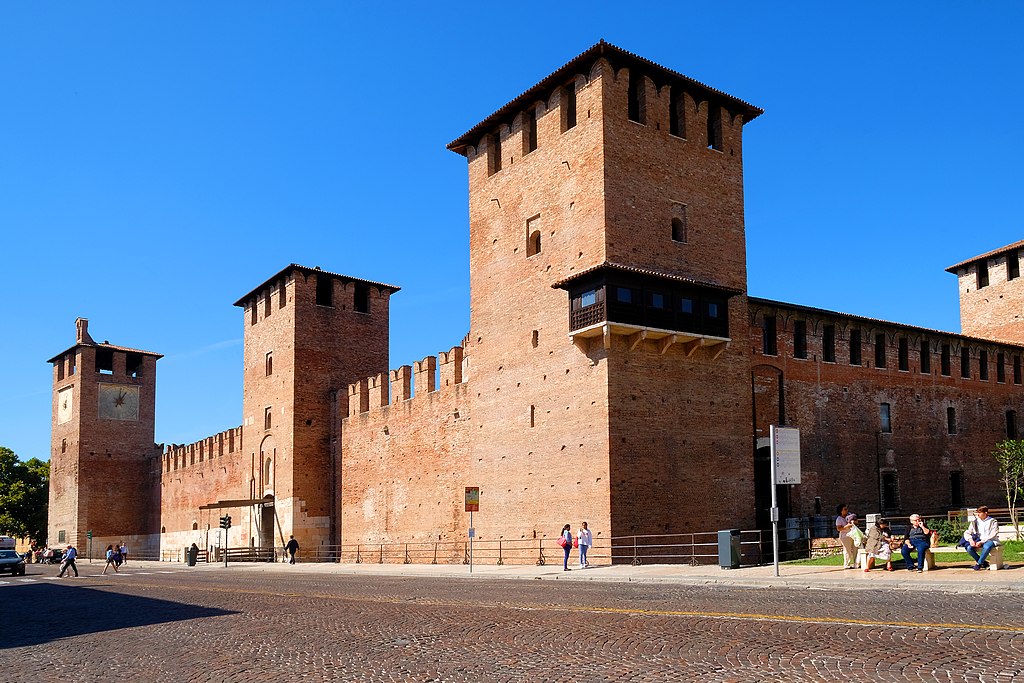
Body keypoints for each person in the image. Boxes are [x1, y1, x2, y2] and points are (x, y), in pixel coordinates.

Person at [963, 505, 1001, 570]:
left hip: (991, 540)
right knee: (969, 548)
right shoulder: (975, 522)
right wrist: (971, 540)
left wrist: (982, 542)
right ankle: (984, 562)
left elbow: (993, 534)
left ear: (985, 513)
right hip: (978, 540)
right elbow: (967, 532)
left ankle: (979, 564)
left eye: (980, 513)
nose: (978, 514)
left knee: (987, 546)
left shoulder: (993, 521)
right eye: (977, 513)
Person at [835, 504, 858, 569]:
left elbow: (856, 521)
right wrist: (846, 526)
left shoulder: (850, 515)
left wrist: (854, 521)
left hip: (853, 533)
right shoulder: (839, 519)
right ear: (841, 511)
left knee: (855, 548)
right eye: (845, 509)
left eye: (847, 509)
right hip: (845, 535)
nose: (847, 510)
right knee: (847, 550)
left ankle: (856, 563)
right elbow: (839, 528)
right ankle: (847, 564)